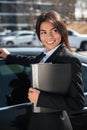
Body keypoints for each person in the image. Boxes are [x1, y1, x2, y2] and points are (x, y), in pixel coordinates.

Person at [0, 10, 84, 130]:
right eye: (43, 32)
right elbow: (29, 60)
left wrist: (41, 99)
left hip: (55, 124)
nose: (48, 37)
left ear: (62, 30)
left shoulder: (69, 60)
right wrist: (8, 56)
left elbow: (77, 103)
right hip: (38, 122)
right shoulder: (44, 56)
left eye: (54, 31)